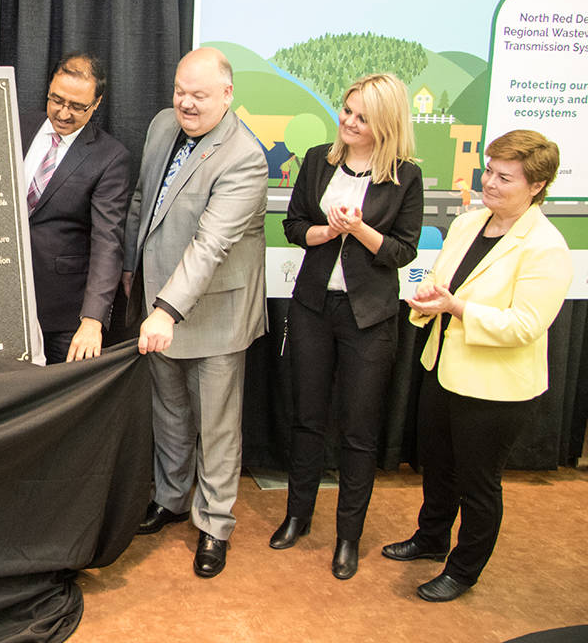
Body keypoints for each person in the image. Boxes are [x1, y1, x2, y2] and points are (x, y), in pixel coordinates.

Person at [385, 129, 572, 602]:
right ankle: (431, 538)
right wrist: (428, 299)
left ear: (536, 186)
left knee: (478, 484)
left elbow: (525, 326)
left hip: (496, 389)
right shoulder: (469, 223)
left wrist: (456, 308)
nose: (489, 182)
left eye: (505, 177)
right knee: (438, 466)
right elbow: (442, 282)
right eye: (489, 170)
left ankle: (463, 570)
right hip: (443, 368)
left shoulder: (545, 246)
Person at [270, 73, 423, 580]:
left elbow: (403, 251)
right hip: (313, 307)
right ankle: (297, 516)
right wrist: (327, 230)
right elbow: (293, 227)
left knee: (359, 431)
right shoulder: (318, 160)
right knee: (307, 418)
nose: (350, 122)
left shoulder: (405, 176)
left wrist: (358, 229)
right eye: (347, 110)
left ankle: (348, 537)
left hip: (369, 317)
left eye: (363, 117)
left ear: (386, 124)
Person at [121, 47, 267, 578]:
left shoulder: (245, 157)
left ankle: (215, 525)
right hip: (157, 302)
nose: (185, 103)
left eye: (198, 95)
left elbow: (210, 246)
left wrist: (165, 310)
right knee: (169, 413)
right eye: (180, 91)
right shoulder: (162, 125)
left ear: (227, 95)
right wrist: (130, 270)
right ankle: (171, 499)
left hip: (212, 312)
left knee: (216, 426)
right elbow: (144, 201)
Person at [21, 52, 130, 364]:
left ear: (96, 104)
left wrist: (93, 320)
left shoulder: (110, 157)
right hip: (4, 303)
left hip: (64, 316)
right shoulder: (18, 125)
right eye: (56, 100)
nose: (63, 113)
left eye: (77, 106)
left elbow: (107, 242)